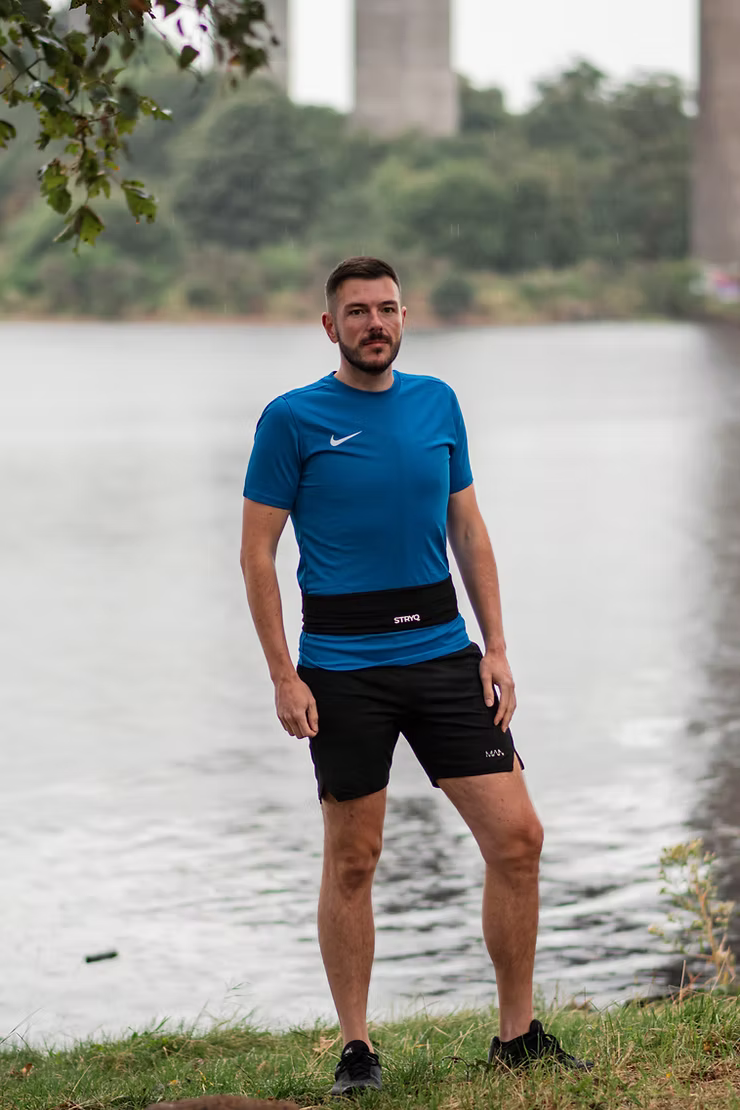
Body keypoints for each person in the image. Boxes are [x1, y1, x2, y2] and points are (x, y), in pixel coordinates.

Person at [240, 257, 591, 1093]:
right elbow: (258, 553)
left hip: (443, 656)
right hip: (341, 670)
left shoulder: (439, 403)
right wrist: (284, 676)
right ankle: (357, 1049)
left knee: (518, 838)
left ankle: (517, 1035)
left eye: (388, 309)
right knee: (354, 859)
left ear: (405, 318)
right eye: (357, 311)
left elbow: (468, 528)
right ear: (330, 327)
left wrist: (497, 645)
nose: (375, 323)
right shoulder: (291, 419)